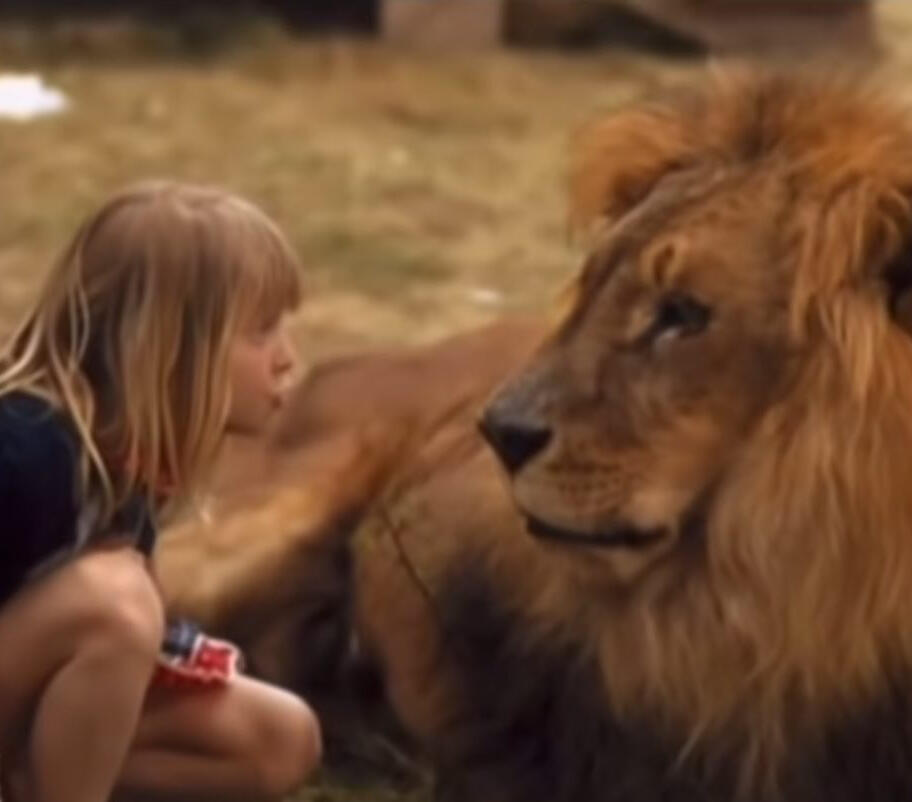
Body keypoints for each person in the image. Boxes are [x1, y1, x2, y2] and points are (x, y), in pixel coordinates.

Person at [0, 181, 322, 802]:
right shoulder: (24, 452)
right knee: (115, 604)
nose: (287, 358)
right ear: (169, 348)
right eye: (260, 332)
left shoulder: (128, 466)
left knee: (280, 738)